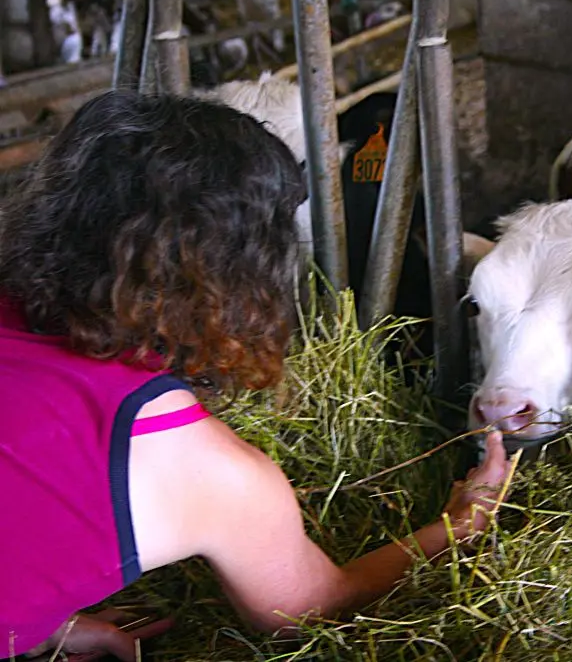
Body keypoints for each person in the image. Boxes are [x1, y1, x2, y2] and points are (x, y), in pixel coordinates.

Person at [0, 89, 511, 661]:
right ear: (242, 270)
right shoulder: (202, 467)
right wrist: (460, 523)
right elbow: (307, 610)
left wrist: (33, 618)